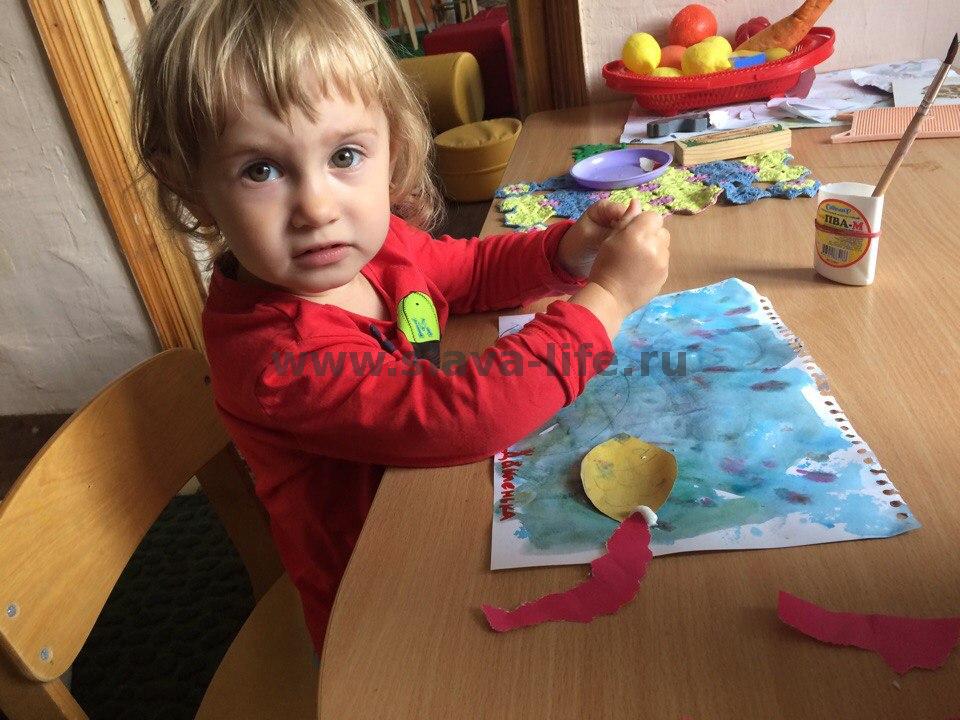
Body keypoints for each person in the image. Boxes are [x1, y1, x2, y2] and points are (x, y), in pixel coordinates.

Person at [132, 0, 670, 653]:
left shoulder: (378, 248)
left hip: (440, 510)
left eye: (344, 154)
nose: (317, 208)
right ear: (190, 186)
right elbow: (456, 416)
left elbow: (469, 270)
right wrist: (607, 298)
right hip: (380, 606)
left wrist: (565, 252)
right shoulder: (276, 358)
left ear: (391, 144)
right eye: (260, 170)